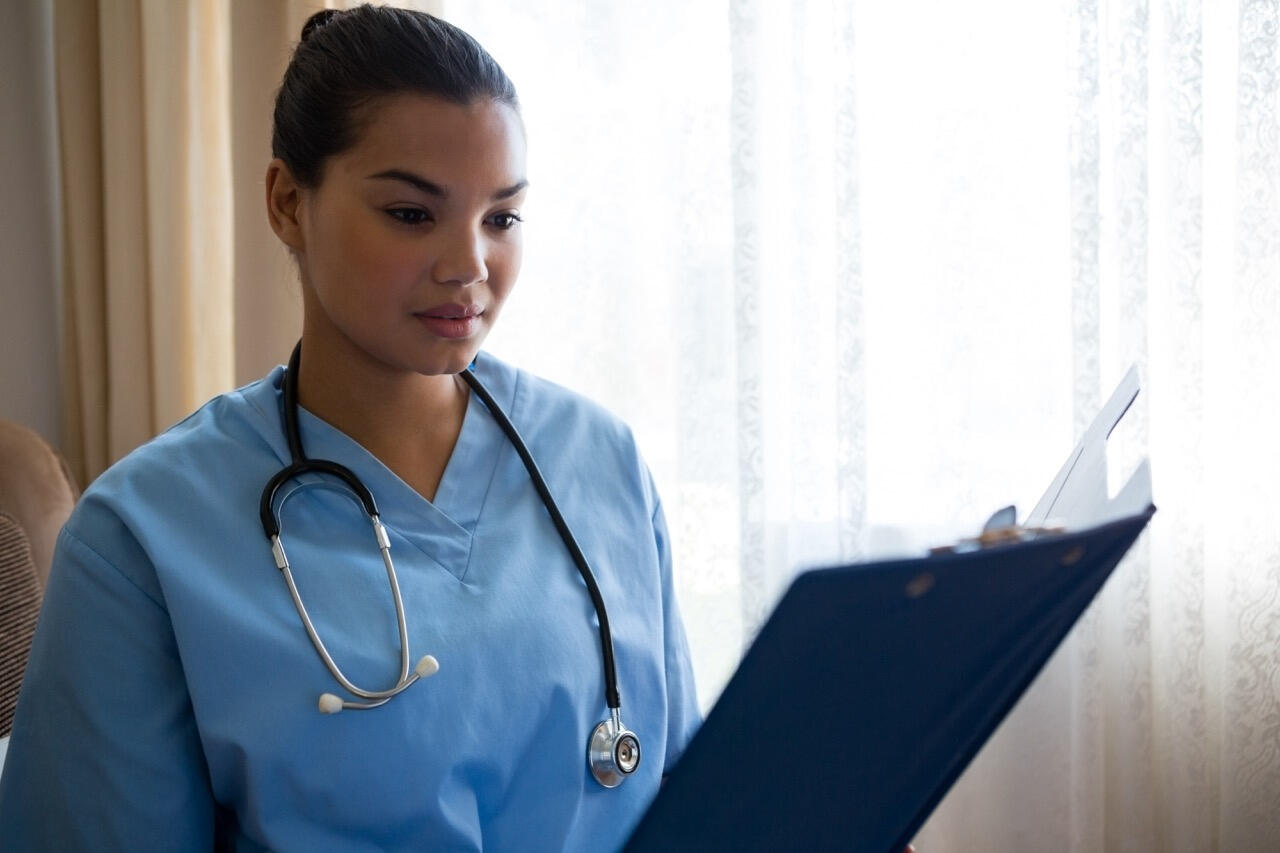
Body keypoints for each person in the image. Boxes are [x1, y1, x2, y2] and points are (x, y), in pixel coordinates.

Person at [0, 6, 700, 850]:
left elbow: (696, 793)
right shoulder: (142, 541)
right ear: (289, 203)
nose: (470, 265)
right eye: (413, 213)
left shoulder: (602, 461)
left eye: (501, 217)